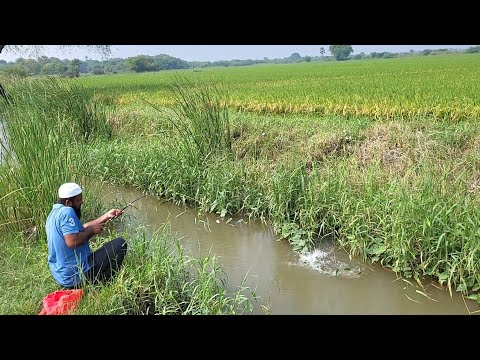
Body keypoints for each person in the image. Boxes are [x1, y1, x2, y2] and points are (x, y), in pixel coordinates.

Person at [46, 182, 128, 289]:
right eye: (79, 200)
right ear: (68, 202)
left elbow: (81, 229)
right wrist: (91, 230)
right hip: (75, 276)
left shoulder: (55, 213)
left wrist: (106, 216)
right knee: (120, 244)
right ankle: (103, 284)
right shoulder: (67, 212)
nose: (82, 202)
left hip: (62, 276)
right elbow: (72, 241)